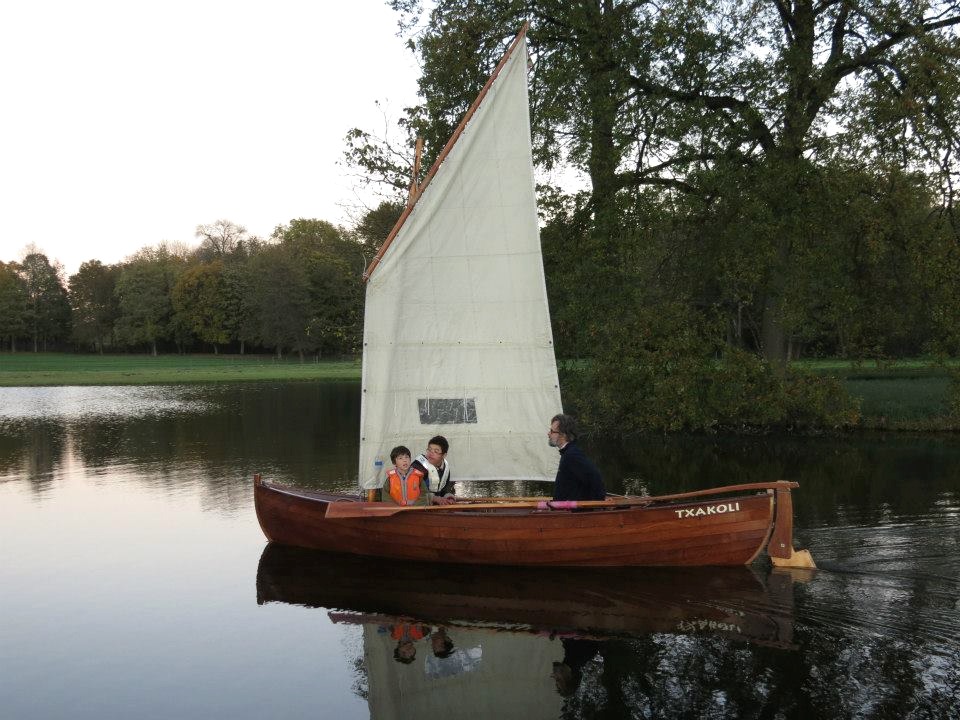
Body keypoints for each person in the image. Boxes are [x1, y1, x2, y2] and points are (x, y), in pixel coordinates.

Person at [548, 414, 605, 501]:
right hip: (562, 510)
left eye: (552, 431)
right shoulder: (568, 453)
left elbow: (595, 478)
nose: (548, 434)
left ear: (563, 435)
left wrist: (596, 506)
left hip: (571, 513)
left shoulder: (572, 455)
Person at [411, 435, 457, 505]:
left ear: (444, 455)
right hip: (418, 506)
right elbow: (412, 491)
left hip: (435, 506)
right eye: (429, 449)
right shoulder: (418, 466)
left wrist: (448, 496)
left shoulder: (445, 467)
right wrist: (434, 498)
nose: (431, 453)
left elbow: (445, 487)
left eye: (436, 451)